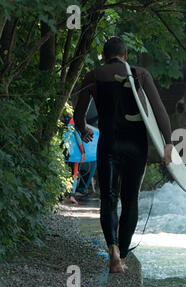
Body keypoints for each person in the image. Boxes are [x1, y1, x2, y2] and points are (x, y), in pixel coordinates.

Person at [73, 37, 173, 273]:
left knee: (108, 197)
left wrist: (83, 129)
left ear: (104, 56)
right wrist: (168, 143)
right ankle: (124, 257)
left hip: (108, 143)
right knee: (130, 200)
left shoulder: (94, 75)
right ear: (125, 55)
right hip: (136, 145)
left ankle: (113, 250)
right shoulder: (140, 74)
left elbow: (79, 115)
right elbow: (159, 111)